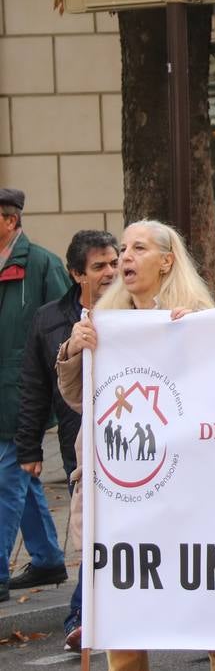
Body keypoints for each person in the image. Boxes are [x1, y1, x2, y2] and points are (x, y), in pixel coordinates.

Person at [56, 220, 215, 671]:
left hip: (185, 488)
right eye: (123, 248)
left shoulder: (200, 314)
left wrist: (202, 338)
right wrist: (73, 351)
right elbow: (77, 397)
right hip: (119, 486)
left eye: (138, 248)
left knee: (201, 595)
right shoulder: (100, 321)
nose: (125, 257)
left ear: (166, 261)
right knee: (123, 611)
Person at [16, 229, 117, 646]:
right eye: (99, 266)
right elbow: (35, 385)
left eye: (114, 262)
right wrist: (28, 446)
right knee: (89, 530)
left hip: (133, 443)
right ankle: (82, 615)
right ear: (77, 274)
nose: (111, 271)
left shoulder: (135, 310)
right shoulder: (49, 319)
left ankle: (86, 615)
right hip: (79, 442)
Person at [0, 188, 71, 604]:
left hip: (22, 395)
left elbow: (61, 326)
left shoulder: (42, 264)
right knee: (19, 480)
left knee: (7, 479)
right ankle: (46, 557)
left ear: (10, 220)